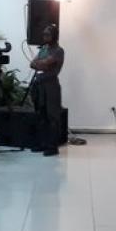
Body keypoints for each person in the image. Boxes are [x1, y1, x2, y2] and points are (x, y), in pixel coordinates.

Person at [28, 24, 64, 156]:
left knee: (52, 117)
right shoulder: (44, 48)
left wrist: (41, 63)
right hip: (40, 85)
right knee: (41, 116)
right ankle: (42, 144)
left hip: (51, 86)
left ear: (54, 35)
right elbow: (32, 63)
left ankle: (52, 146)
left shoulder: (59, 50)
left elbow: (45, 63)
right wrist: (42, 63)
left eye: (47, 34)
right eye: (44, 34)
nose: (44, 36)